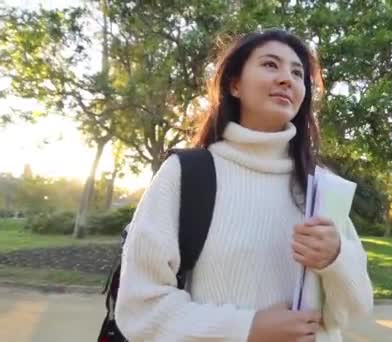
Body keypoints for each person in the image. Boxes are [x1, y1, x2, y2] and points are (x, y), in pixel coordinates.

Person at [115, 28, 374, 342]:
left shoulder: (321, 186)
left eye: (297, 73)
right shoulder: (186, 175)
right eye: (270, 65)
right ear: (235, 84)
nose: (286, 79)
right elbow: (139, 308)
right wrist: (247, 328)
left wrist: (335, 259)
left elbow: (353, 311)